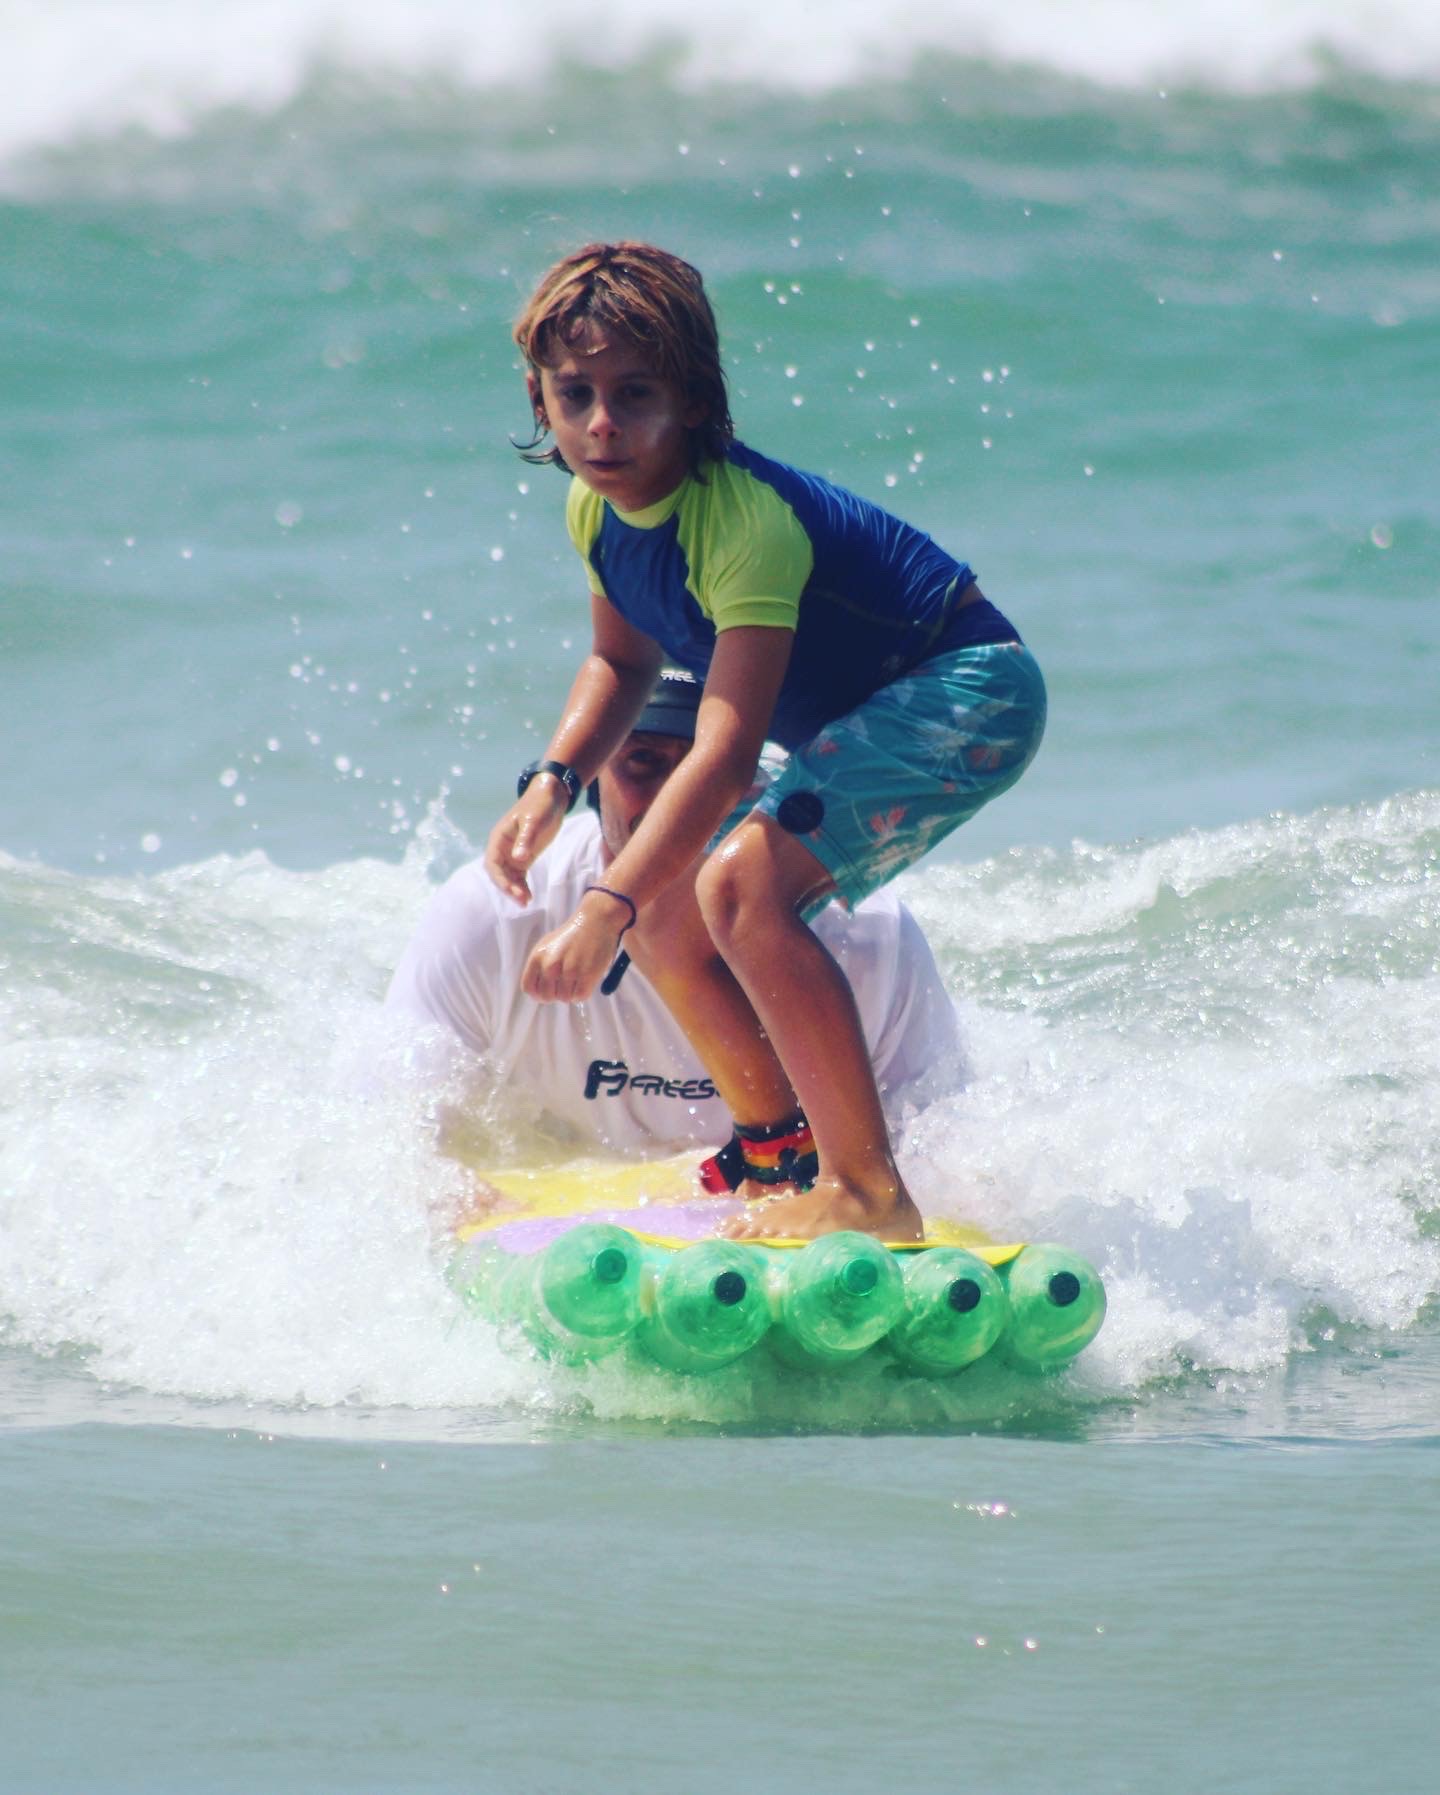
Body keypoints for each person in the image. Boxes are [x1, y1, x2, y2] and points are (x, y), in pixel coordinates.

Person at [484, 242, 1046, 1241]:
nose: (602, 422)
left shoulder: (745, 523)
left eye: (635, 393)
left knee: (739, 887)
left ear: (694, 401)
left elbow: (727, 753)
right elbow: (619, 660)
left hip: (970, 690)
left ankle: (867, 1190)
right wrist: (552, 784)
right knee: (668, 910)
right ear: (541, 400)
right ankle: (779, 1153)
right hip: (885, 712)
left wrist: (603, 907)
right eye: (576, 394)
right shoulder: (597, 508)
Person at [386, 671, 964, 1166]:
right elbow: (392, 1143)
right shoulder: (495, 915)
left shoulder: (869, 934)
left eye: (711, 769)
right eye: (643, 761)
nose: (679, 804)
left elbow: (939, 1159)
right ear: (594, 780)